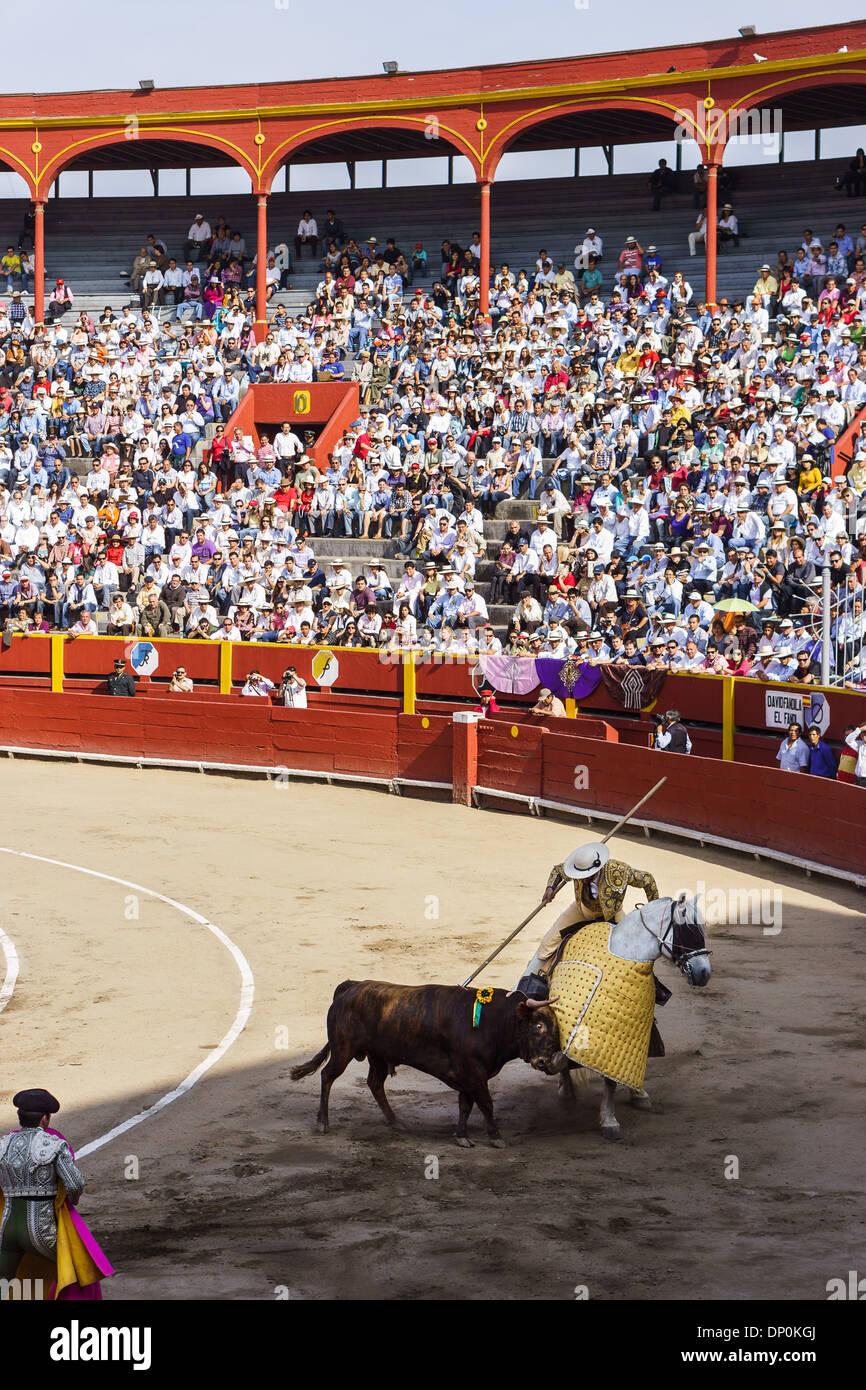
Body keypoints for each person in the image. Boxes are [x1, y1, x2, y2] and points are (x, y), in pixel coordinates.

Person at [0, 1087, 113, 1298]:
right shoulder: (53, 1145)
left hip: (6, 1230)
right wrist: (69, 1202)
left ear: (20, 1117)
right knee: (76, 1267)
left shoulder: (2, 1144)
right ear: (45, 1119)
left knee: (3, 1281)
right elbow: (75, 1184)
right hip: (40, 1230)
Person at [517, 842, 659, 990]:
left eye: (586, 876)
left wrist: (653, 907)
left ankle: (650, 987)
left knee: (635, 950)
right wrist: (550, 887)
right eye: (580, 875)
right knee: (548, 942)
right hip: (581, 910)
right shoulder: (576, 866)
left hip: (611, 913)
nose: (582, 879)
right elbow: (558, 870)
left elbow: (648, 880)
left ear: (598, 866)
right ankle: (525, 982)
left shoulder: (618, 870)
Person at [843, 720, 866, 785]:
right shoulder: (860, 744)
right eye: (862, 732)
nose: (864, 734)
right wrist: (860, 729)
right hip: (858, 779)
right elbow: (848, 740)